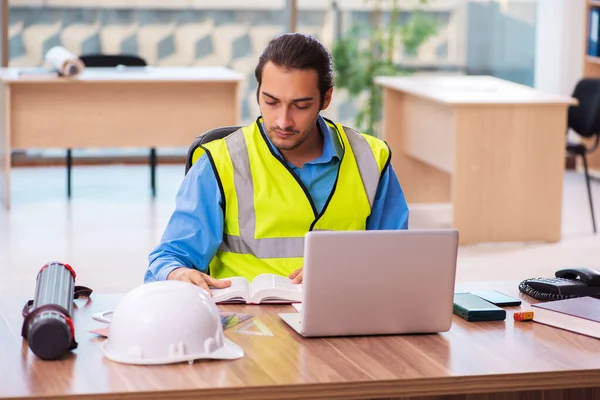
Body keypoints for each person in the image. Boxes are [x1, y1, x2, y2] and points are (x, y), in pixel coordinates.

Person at [145, 33, 409, 294]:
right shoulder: (220, 162)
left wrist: (346, 269)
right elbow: (170, 257)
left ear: (326, 99)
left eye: (301, 106)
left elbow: (399, 256)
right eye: (271, 102)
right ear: (258, 92)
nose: (283, 121)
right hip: (248, 324)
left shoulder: (371, 158)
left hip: (345, 314)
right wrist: (176, 273)